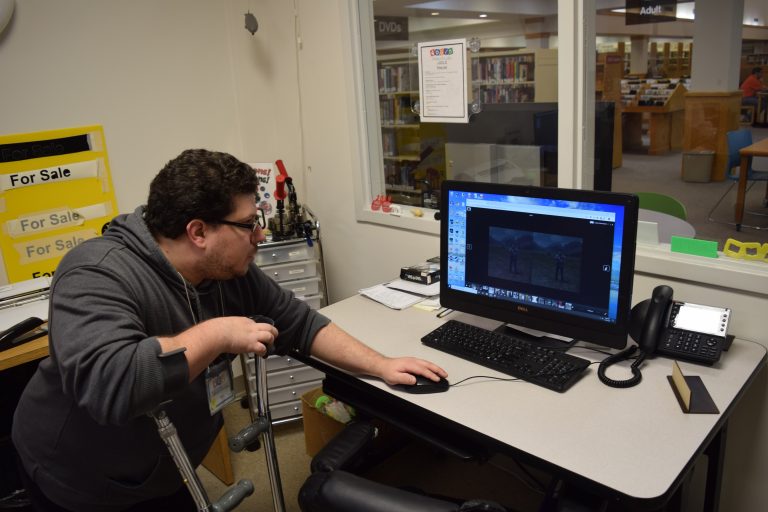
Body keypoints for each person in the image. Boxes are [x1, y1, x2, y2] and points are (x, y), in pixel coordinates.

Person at [12, 149, 447, 512]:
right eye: (247, 224)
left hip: (165, 466)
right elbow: (113, 383)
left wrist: (383, 365)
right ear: (198, 231)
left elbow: (299, 322)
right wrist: (216, 334)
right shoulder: (97, 271)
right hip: (78, 476)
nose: (260, 235)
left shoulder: (228, 270)